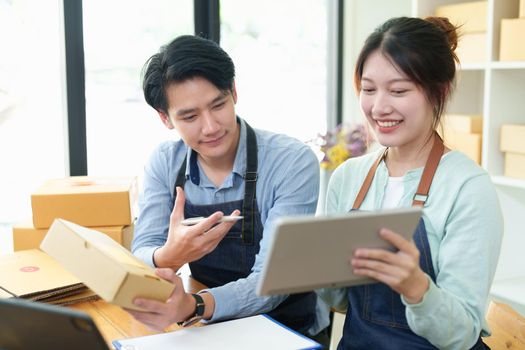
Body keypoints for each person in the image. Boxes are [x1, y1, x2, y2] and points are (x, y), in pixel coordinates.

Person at [318, 17, 503, 349]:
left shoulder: (468, 187)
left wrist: (417, 288)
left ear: (440, 90)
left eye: (399, 90)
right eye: (369, 89)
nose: (378, 107)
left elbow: (462, 333)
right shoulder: (348, 177)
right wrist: (313, 267)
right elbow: (339, 302)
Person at [128, 35, 329, 339]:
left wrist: (195, 305)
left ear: (234, 91)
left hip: (288, 329)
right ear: (165, 119)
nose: (210, 127)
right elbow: (139, 256)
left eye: (218, 105)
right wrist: (168, 256)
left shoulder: (291, 161)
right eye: (190, 116)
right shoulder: (165, 163)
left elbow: (271, 284)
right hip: (212, 328)